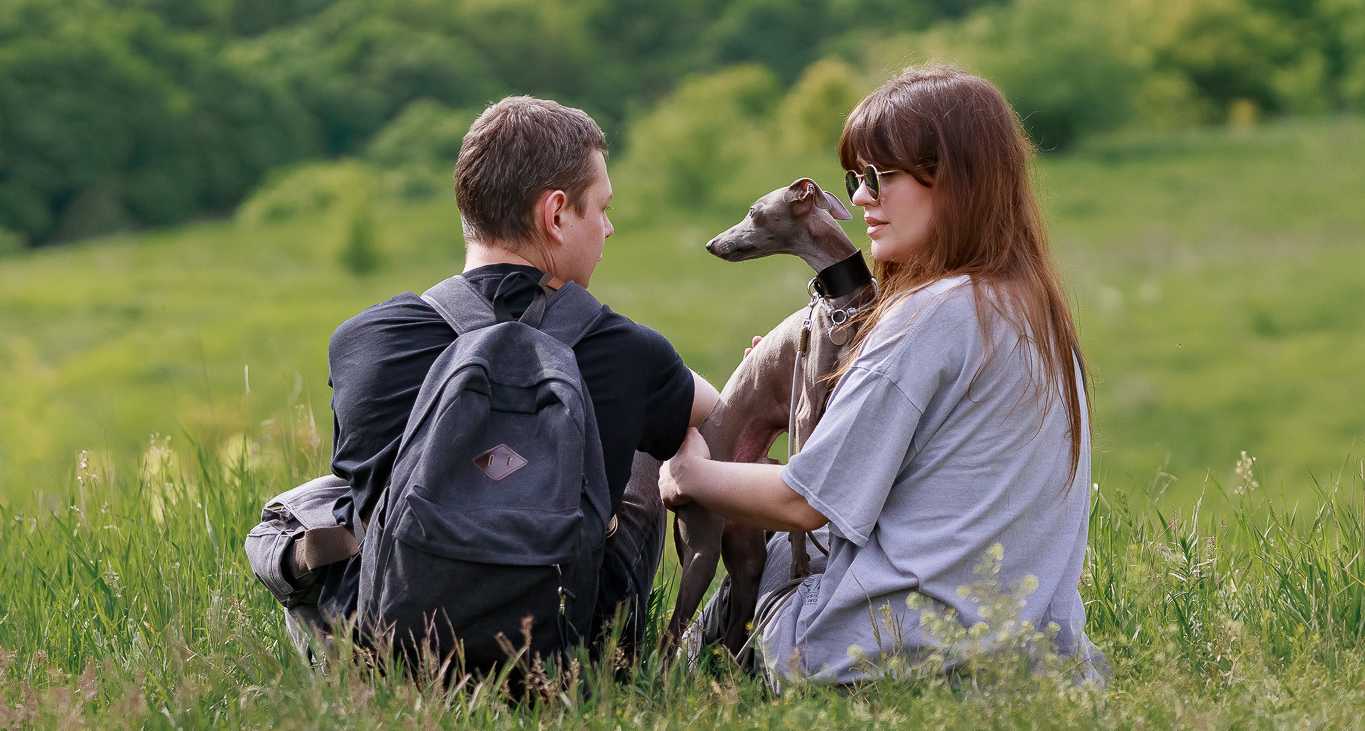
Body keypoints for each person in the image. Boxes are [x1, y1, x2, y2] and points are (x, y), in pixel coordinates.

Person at [661, 64, 1107, 687]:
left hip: (887, 660)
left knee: (762, 553)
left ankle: (662, 693)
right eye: (855, 178)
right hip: (1039, 669)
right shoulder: (1034, 311)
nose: (861, 198)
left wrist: (691, 473)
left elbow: (803, 503)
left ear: (956, 183)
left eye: (881, 178)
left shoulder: (930, 316)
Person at [329, 95, 720, 666]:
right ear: (556, 215)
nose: (609, 230)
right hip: (564, 658)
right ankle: (624, 654)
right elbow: (712, 406)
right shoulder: (627, 353)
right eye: (601, 209)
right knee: (654, 446)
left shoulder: (364, 341)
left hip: (398, 653)